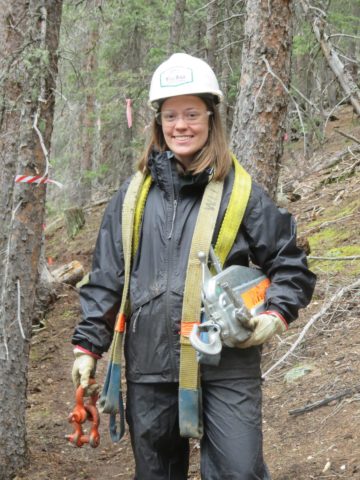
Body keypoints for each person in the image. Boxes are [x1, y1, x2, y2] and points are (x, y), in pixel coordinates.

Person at [71, 53, 316, 479]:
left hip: (227, 363)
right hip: (149, 364)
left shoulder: (243, 194)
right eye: (170, 115)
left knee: (238, 472)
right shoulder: (130, 199)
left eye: (191, 114)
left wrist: (275, 314)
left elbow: (289, 261)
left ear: (210, 118)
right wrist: (87, 346)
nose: (180, 125)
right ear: (158, 122)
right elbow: (107, 280)